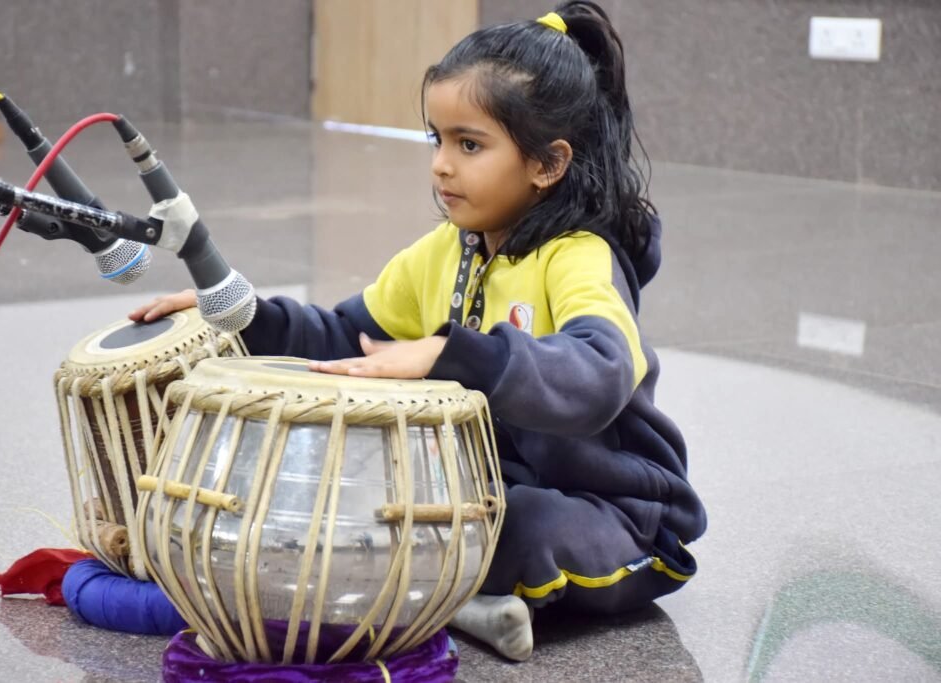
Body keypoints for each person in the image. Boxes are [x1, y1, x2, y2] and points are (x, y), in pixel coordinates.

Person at [130, 1, 706, 662]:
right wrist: (245, 314)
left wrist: (453, 353)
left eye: (469, 144)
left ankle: (453, 596)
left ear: (547, 164)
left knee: (521, 525)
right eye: (437, 139)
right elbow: (345, 335)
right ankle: (464, 601)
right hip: (495, 486)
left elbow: (598, 373)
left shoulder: (580, 257)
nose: (440, 164)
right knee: (398, 507)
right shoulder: (445, 252)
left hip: (620, 511)